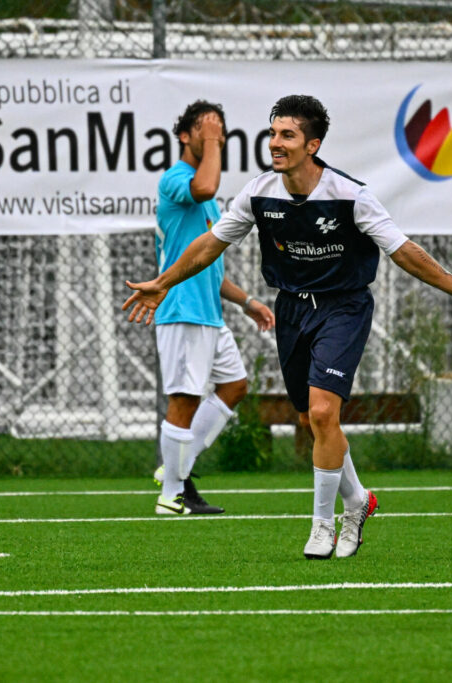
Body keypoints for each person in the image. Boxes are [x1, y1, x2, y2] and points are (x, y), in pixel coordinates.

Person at [125, 94, 452, 558]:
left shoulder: (350, 195)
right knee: (313, 418)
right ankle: (357, 500)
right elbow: (210, 244)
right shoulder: (258, 193)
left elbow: (402, 249)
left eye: (287, 135)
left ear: (312, 145)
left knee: (320, 412)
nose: (275, 142)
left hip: (344, 308)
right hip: (292, 310)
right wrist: (164, 282)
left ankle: (322, 525)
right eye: (272, 133)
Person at [151, 99, 275, 516]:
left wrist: (248, 301)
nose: (216, 136)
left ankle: (174, 466)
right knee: (184, 398)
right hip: (183, 311)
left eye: (220, 131)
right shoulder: (177, 179)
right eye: (206, 130)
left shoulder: (208, 202)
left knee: (235, 386)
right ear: (185, 136)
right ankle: (171, 494)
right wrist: (211, 141)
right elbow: (204, 185)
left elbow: (208, 267)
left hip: (209, 313)